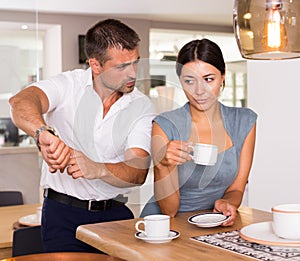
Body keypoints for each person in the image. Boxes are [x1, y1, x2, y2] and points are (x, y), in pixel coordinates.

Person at [9, 19, 155, 252]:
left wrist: (98, 168)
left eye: (135, 63)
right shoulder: (69, 85)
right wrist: (41, 132)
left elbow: (137, 172)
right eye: (121, 67)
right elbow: (21, 102)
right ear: (95, 65)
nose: (132, 73)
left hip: (117, 217)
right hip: (63, 216)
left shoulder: (141, 106)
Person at [140, 39, 257, 226]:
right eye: (189, 81)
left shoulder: (244, 121)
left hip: (214, 221)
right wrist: (163, 165)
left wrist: (227, 202)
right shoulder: (164, 125)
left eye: (208, 79)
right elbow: (169, 211)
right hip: (165, 225)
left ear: (223, 76)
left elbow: (237, 188)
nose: (199, 91)